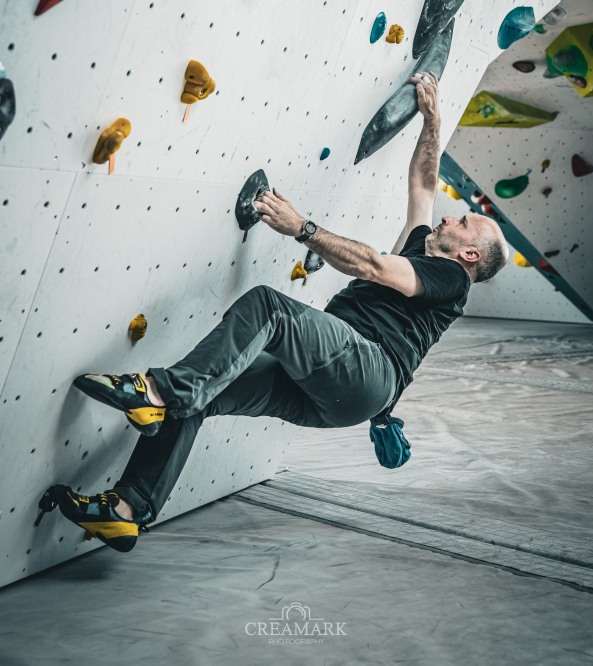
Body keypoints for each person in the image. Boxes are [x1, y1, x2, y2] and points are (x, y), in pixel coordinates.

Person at [36, 72, 508, 551]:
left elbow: (373, 265)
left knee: (269, 308)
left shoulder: (450, 280)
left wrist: (301, 227)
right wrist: (432, 118)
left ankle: (158, 391)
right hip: (340, 389)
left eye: (464, 222)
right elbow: (423, 185)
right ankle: (127, 509)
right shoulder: (425, 249)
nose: (452, 216)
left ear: (470, 255)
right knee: (205, 394)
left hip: (365, 369)